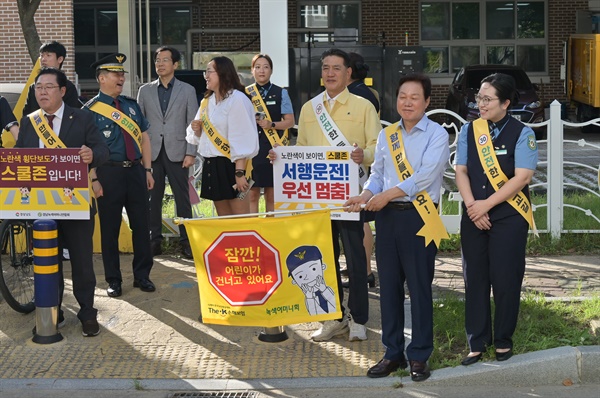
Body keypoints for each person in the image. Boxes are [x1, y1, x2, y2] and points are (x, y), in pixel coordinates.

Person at [345, 73, 449, 381]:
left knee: (418, 288)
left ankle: (419, 355)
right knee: (389, 288)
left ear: (427, 101)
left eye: (414, 97)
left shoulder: (437, 134)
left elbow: (425, 177)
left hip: (419, 216)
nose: (407, 102)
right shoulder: (388, 134)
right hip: (388, 217)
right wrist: (365, 195)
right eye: (403, 96)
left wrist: (384, 195)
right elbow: (376, 174)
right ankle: (392, 354)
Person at [271, 48, 380, 342]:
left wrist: (362, 154)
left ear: (348, 73)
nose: (330, 73)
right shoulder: (309, 108)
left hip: (350, 197)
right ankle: (333, 318)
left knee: (356, 260)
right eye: (325, 68)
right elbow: (303, 151)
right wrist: (281, 158)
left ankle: (358, 319)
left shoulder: (363, 107)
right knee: (323, 261)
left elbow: (375, 150)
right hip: (317, 200)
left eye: (336, 68)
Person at [16, 67, 109, 337]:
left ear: (63, 91)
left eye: (48, 87)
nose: (42, 92)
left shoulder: (81, 117)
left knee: (81, 262)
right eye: (38, 88)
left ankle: (87, 313)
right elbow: (21, 159)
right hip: (41, 206)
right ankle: (51, 311)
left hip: (75, 203)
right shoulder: (29, 122)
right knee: (48, 261)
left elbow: (103, 150)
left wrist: (92, 154)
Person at [455, 73, 538, 366]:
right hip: (473, 214)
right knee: (474, 278)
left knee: (505, 279)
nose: (480, 103)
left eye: (487, 98)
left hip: (508, 216)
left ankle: (503, 339)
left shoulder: (522, 133)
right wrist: (471, 207)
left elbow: (523, 177)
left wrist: (486, 205)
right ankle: (476, 342)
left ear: (505, 102)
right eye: (479, 97)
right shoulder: (469, 131)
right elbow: (461, 171)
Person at [84, 53, 155, 298]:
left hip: (135, 171)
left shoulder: (131, 105)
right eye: (116, 74)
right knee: (110, 230)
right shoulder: (90, 110)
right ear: (101, 78)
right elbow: (86, 148)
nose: (121, 78)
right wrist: (93, 179)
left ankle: (142, 275)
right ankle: (113, 280)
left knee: (141, 226)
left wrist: (147, 169)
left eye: (122, 74)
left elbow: (145, 138)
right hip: (107, 175)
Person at [137, 46, 198, 259]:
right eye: (157, 60)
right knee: (153, 198)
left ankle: (186, 242)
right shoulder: (144, 90)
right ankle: (154, 241)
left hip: (178, 151)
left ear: (175, 64)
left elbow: (192, 123)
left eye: (164, 60)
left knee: (183, 199)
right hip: (152, 153)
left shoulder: (187, 90)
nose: (160, 64)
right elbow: (139, 126)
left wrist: (191, 152)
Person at [185, 56, 258, 216]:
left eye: (210, 71)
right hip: (212, 165)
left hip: (233, 165)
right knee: (223, 219)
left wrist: (239, 174)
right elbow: (196, 137)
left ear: (223, 73)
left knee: (240, 220)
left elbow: (242, 138)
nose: (206, 76)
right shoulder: (206, 102)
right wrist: (197, 129)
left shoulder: (237, 99)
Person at [342, 52, 380, 289]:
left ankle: (365, 270)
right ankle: (359, 265)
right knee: (355, 216)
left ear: (348, 71)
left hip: (358, 163)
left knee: (360, 217)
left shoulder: (356, 96)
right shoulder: (371, 92)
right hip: (358, 163)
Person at [246, 54, 295, 214]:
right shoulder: (245, 93)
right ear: (252, 71)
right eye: (258, 67)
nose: (262, 71)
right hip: (250, 150)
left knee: (272, 194)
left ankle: (271, 232)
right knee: (251, 194)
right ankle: (252, 231)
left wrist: (271, 124)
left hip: (272, 149)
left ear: (271, 70)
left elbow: (289, 122)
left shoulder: (281, 93)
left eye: (266, 67)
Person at [22, 41, 82, 116]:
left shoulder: (68, 87)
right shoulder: (33, 87)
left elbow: (72, 115)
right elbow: (28, 114)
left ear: (60, 59)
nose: (43, 59)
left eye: (48, 55)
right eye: (42, 55)